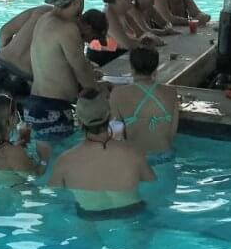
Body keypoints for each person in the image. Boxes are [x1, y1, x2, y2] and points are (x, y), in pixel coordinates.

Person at [0, 2, 108, 118]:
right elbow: (69, 73)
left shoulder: (43, 11)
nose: (90, 42)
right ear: (88, 28)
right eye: (93, 38)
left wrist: (6, 59)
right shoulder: (70, 32)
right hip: (23, 81)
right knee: (6, 124)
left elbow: (5, 32)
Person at [25, 0, 103, 156]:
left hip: (33, 105)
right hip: (53, 109)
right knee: (58, 163)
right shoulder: (67, 29)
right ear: (78, 0)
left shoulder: (44, 19)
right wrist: (99, 95)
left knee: (41, 161)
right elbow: (81, 69)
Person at [48, 89, 156, 219]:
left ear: (80, 122)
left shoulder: (64, 161)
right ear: (110, 116)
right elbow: (151, 183)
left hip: (90, 216)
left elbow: (55, 194)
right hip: (132, 213)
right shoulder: (133, 153)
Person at [109, 45, 178, 165]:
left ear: (131, 67)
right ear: (156, 67)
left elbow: (115, 135)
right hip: (165, 157)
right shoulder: (171, 92)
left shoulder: (118, 94)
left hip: (136, 158)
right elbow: (171, 133)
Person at [0, 94, 39, 184]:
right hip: (17, 193)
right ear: (11, 119)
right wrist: (45, 158)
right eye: (16, 112)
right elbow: (35, 175)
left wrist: (23, 140)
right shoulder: (15, 152)